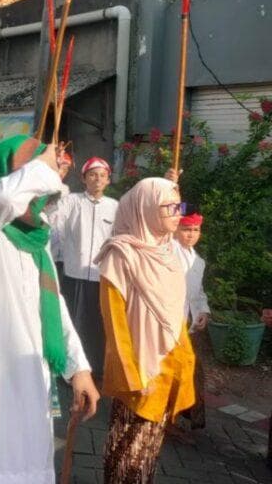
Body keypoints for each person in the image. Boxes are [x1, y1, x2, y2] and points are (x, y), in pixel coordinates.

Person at [0, 135, 98, 483]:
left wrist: (79, 369)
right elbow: (3, 198)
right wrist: (42, 162)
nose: (40, 198)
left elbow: (55, 311)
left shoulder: (38, 245)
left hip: (32, 378)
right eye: (32, 178)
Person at [96, 177, 195, 483]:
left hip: (167, 368)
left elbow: (175, 315)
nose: (178, 214)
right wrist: (133, 376)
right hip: (140, 374)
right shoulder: (121, 256)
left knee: (148, 453)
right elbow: (115, 326)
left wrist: (184, 363)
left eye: (179, 205)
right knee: (128, 453)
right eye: (170, 207)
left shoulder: (168, 253)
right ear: (146, 209)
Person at [49, 156, 118, 377]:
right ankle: (70, 371)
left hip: (101, 277)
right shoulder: (72, 201)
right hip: (74, 275)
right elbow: (53, 209)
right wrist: (57, 174)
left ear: (108, 180)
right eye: (92, 175)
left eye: (102, 176)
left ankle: (95, 370)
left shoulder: (115, 207)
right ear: (84, 179)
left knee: (98, 326)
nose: (97, 179)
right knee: (73, 324)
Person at [172, 211, 209, 433]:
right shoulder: (167, 252)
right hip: (170, 320)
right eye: (186, 229)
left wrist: (204, 311)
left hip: (190, 323)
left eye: (196, 230)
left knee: (192, 373)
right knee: (171, 372)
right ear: (176, 229)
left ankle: (179, 417)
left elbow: (199, 292)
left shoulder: (199, 261)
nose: (191, 235)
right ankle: (165, 418)